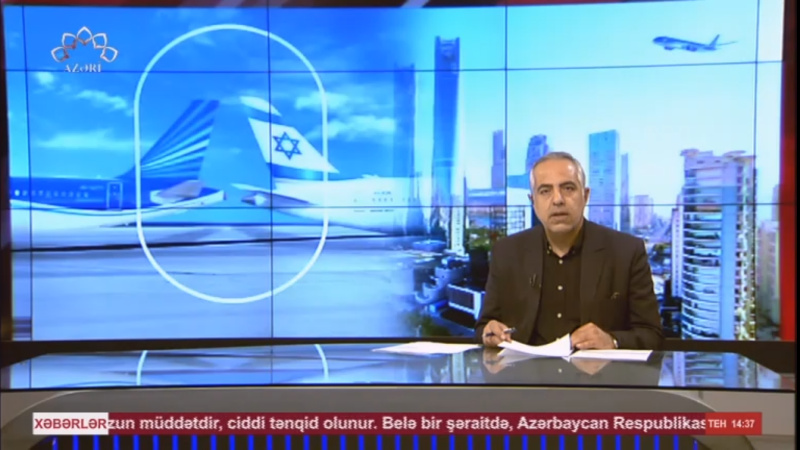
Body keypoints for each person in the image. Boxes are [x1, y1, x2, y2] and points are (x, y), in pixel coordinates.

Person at [475, 152, 663, 350]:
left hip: (596, 369)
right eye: (545, 191)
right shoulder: (506, 252)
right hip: (525, 368)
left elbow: (652, 334)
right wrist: (489, 333)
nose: (557, 200)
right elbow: (483, 328)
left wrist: (612, 341)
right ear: (533, 201)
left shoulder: (626, 251)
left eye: (568, 188)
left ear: (586, 195)